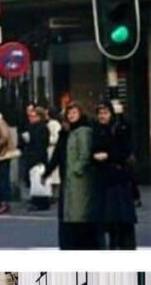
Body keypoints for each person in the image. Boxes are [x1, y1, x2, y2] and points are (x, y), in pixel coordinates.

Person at [45, 101, 98, 249]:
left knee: (79, 212)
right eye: (69, 113)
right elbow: (58, 154)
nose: (71, 116)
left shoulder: (83, 131)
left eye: (74, 112)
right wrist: (48, 171)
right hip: (68, 179)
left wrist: (76, 169)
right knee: (69, 213)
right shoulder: (68, 132)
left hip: (78, 179)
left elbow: (85, 154)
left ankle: (80, 244)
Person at [92, 101, 137, 250]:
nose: (102, 116)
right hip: (103, 179)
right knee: (107, 218)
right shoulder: (97, 130)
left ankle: (122, 244)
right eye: (100, 113)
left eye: (105, 113)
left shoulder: (119, 128)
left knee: (120, 218)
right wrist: (95, 156)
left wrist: (108, 155)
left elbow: (124, 149)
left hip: (118, 179)